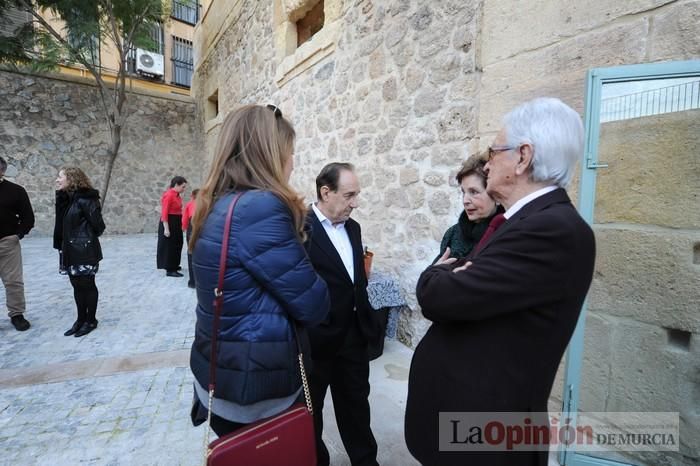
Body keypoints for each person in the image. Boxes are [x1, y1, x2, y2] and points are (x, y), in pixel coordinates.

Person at [405, 97, 596, 466]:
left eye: (495, 150)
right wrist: (458, 270)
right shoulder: (525, 220)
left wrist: (435, 272)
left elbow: (442, 297)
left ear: (523, 157)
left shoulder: (552, 229)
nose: (488, 161)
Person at [188, 104, 330, 437]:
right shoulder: (261, 208)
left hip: (221, 371)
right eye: (290, 152)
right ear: (270, 154)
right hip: (256, 388)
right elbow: (314, 304)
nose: (293, 162)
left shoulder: (216, 204)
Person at [305, 162, 383, 466]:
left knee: (356, 409)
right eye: (349, 195)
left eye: (357, 194)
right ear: (326, 192)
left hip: (353, 338)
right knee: (311, 415)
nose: (356, 202)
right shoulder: (299, 227)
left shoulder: (354, 227)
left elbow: (355, 281)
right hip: (317, 341)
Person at [53, 167, 106, 338]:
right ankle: (80, 319)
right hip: (68, 249)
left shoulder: (86, 199)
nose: (57, 180)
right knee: (76, 285)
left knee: (87, 285)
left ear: (71, 178)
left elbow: (98, 225)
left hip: (84, 249)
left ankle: (91, 320)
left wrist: (82, 239)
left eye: (60, 176)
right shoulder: (65, 199)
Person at [435, 153, 502, 263]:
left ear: (495, 194)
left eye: (474, 192)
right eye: (463, 192)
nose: (465, 201)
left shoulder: (507, 233)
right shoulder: (452, 234)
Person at [0, 156, 34, 331]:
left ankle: (17, 314)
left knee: (13, 281)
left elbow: (28, 217)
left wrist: (18, 235)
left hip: (7, 243)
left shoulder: (16, 191)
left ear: (2, 171)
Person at [157, 176, 187, 277]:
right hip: (169, 221)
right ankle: (170, 269)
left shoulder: (177, 195)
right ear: (176, 185)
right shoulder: (169, 195)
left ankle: (174, 264)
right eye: (183, 187)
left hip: (176, 221)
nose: (184, 189)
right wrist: (166, 228)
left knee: (177, 243)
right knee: (170, 245)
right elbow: (164, 212)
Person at [182, 188, 198, 289]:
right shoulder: (206, 203)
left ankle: (192, 282)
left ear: (192, 196)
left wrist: (183, 228)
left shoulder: (189, 204)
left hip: (192, 225)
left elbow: (184, 219)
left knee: (191, 251)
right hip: (203, 224)